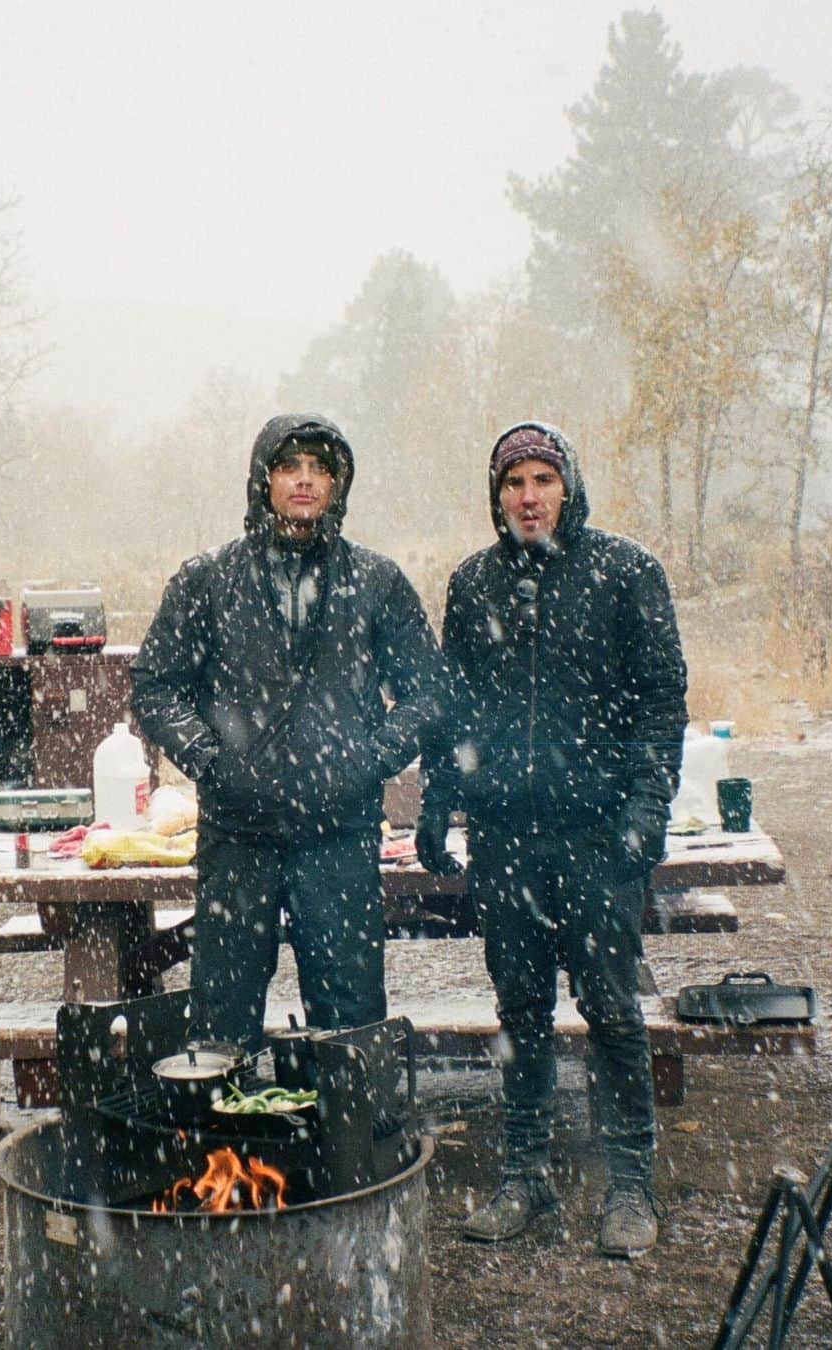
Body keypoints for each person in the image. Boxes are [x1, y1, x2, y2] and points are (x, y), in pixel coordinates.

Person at [416, 421, 687, 1258]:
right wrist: (440, 799)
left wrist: (646, 811)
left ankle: (630, 1186)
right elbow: (451, 706)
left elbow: (659, 705)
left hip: (596, 836)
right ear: (496, 496)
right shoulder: (473, 584)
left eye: (542, 479)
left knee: (611, 1012)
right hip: (506, 840)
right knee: (522, 1013)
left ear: (568, 486)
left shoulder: (625, 574)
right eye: (513, 483)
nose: (528, 497)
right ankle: (524, 1175)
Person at [131, 413, 445, 1053]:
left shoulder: (374, 581)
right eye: (289, 466)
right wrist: (212, 760)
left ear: (338, 484)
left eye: (319, 468)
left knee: (350, 1028)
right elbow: (155, 685)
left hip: (340, 837)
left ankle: (352, 1146)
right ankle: (228, 1151)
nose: (305, 481)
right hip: (238, 836)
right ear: (263, 478)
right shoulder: (209, 580)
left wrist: (372, 757)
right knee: (221, 1025)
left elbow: (430, 690)